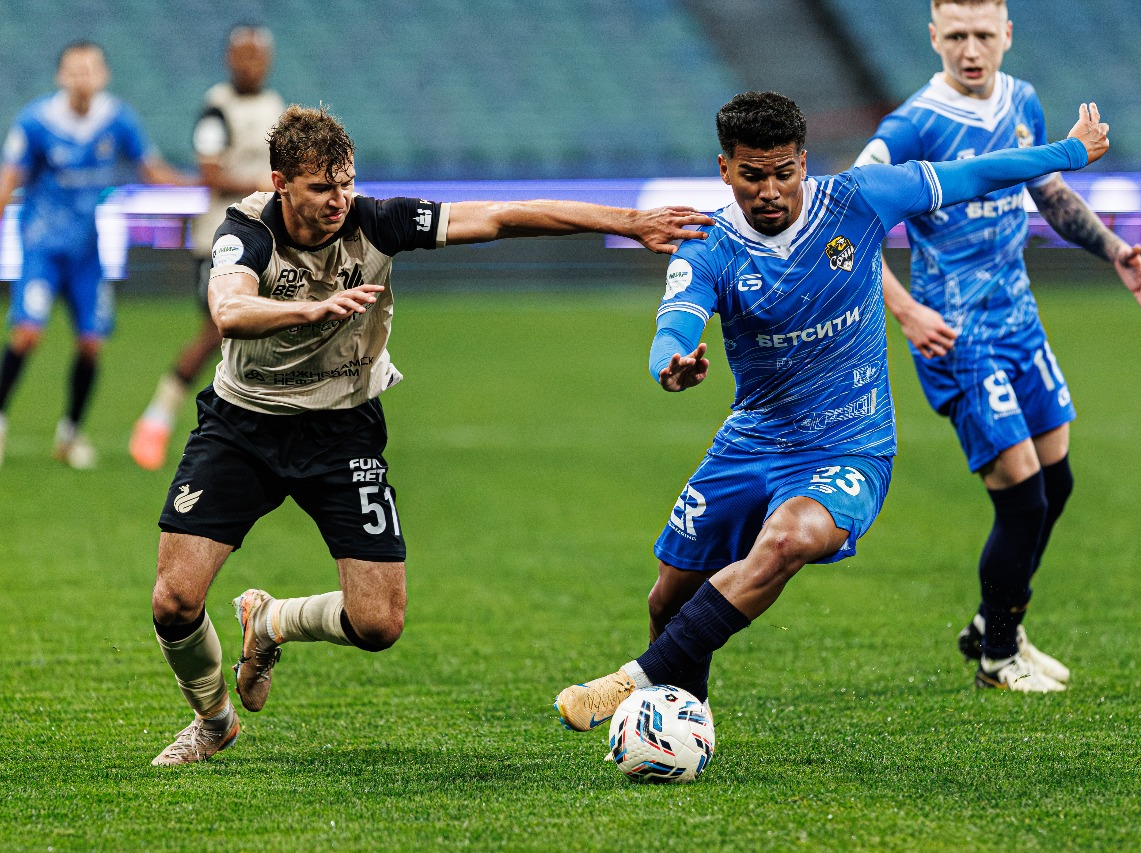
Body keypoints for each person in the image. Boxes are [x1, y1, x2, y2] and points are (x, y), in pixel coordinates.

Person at [148, 104, 714, 766]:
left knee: (378, 623)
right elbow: (228, 308)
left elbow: (502, 217)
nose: (338, 200)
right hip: (244, 424)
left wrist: (629, 222)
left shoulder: (376, 222)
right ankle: (213, 721)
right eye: (320, 188)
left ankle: (270, 621)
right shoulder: (247, 230)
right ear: (280, 184)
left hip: (342, 429)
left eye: (346, 183)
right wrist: (311, 309)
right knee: (174, 600)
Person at [554, 89, 1114, 733]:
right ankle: (682, 724)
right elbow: (675, 322)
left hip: (850, 444)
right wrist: (670, 364)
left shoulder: (859, 199)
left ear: (803, 162)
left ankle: (633, 681)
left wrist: (1069, 151)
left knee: (788, 539)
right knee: (668, 600)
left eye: (783, 172)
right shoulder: (708, 245)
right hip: (753, 439)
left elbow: (973, 174)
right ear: (725, 169)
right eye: (752, 175)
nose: (770, 191)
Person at [852, 0, 1141, 690]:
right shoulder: (912, 126)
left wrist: (1113, 249)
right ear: (933, 36)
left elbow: (1047, 191)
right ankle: (997, 655)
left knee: (1057, 483)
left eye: (983, 35)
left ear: (1007, 35)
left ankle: (993, 622)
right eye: (956, 36)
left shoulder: (1021, 99)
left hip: (1020, 320)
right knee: (1022, 497)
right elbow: (847, 216)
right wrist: (905, 310)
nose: (970, 50)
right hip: (956, 333)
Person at [0, 41, 187, 469]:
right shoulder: (35, 122)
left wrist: (199, 188)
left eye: (90, 69)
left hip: (88, 251)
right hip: (42, 248)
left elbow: (150, 169)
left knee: (90, 342)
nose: (82, 77)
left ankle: (70, 434)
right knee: (27, 332)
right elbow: (9, 178)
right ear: (60, 76)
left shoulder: (117, 120)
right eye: (74, 69)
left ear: (104, 75)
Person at [130, 25, 285, 471]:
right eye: (243, 55)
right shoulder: (216, 108)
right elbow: (211, 175)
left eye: (257, 55)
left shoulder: (276, 107)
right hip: (221, 237)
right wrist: (261, 183)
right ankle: (158, 418)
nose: (250, 64)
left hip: (266, 235)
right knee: (220, 332)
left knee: (264, 334)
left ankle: (256, 430)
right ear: (229, 59)